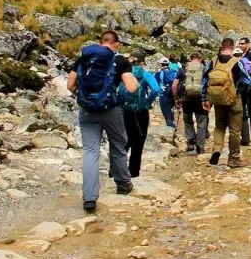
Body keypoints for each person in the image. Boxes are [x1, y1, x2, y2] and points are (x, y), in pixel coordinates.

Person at [68, 31, 138, 212]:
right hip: (111, 110)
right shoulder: (120, 60)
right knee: (118, 145)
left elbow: (70, 85)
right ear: (116, 44)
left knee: (90, 152)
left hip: (87, 111)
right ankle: (123, 183)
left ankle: (89, 198)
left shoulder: (84, 58)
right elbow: (131, 88)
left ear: (100, 42)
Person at [201, 38, 251, 168]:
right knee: (235, 130)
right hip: (234, 100)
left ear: (222, 47)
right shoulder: (237, 62)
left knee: (219, 125)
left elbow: (204, 80)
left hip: (218, 100)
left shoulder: (213, 61)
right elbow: (248, 80)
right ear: (233, 47)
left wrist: (204, 99)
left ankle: (217, 149)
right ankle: (233, 159)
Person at [118, 52, 161, 177]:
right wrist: (147, 102)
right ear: (142, 62)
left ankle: (116, 170)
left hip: (123, 110)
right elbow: (156, 89)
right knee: (138, 142)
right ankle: (134, 172)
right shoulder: (145, 74)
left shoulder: (123, 73)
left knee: (122, 141)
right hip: (140, 111)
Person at [178, 52, 208, 154]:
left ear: (190, 59)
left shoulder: (184, 68)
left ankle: (190, 143)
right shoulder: (204, 68)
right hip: (200, 99)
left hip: (186, 99)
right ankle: (200, 147)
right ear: (200, 58)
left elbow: (174, 85)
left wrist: (177, 98)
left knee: (188, 121)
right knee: (201, 123)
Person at [234, 46, 251, 146]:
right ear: (242, 54)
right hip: (250, 89)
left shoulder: (233, 64)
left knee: (242, 113)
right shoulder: (250, 63)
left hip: (239, 91)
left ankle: (245, 138)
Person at [154, 57, 178, 128]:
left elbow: (155, 85)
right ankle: (172, 124)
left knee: (166, 112)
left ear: (161, 64)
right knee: (169, 111)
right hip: (173, 94)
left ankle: (170, 126)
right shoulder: (174, 72)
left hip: (163, 94)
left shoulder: (158, 74)